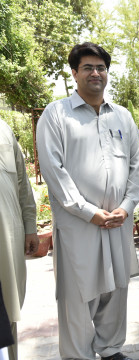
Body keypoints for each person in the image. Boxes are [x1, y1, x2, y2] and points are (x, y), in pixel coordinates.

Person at [36, 42, 139, 360]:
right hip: (78, 226)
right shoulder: (56, 115)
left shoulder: (122, 116)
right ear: (74, 73)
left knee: (115, 290)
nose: (95, 73)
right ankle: (78, 355)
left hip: (118, 222)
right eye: (88, 67)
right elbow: (53, 171)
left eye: (101, 67)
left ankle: (111, 350)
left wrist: (126, 206)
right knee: (78, 296)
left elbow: (138, 166)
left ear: (107, 73)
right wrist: (89, 212)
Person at [0, 119, 39, 360]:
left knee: (8, 309)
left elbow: (22, 182)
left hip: (8, 240)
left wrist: (30, 226)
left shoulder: (3, 129)